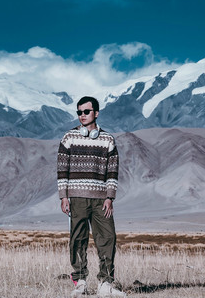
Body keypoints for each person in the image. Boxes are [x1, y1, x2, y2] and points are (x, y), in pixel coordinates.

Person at [57, 96, 126, 297]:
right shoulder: (68, 138)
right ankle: (80, 282)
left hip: (101, 200)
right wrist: (63, 196)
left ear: (96, 113)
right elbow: (62, 169)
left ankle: (106, 284)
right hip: (77, 199)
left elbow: (112, 172)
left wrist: (110, 197)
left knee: (108, 238)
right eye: (79, 112)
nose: (82, 115)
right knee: (77, 239)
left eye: (86, 112)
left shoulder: (107, 140)